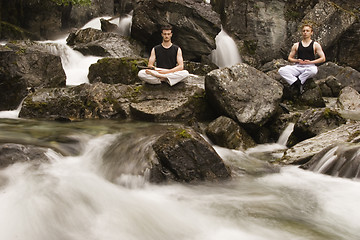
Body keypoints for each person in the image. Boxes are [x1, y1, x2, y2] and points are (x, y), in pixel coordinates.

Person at [278, 23, 326, 94]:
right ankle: (297, 83)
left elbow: (323, 58)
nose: (305, 33)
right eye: (303, 31)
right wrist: (297, 60)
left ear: (311, 33)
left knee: (313, 71)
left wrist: (310, 62)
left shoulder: (315, 45)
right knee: (281, 70)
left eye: (307, 31)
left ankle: (298, 81)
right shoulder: (296, 45)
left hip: (309, 67)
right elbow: (289, 58)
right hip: (298, 66)